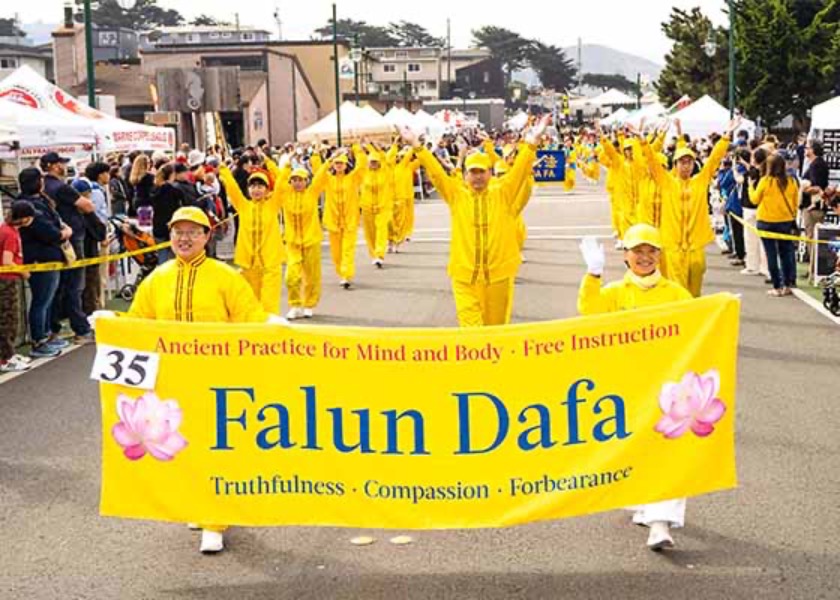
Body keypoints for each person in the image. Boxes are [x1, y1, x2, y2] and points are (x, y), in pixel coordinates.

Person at [90, 206, 284, 554]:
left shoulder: (226, 276)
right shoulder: (158, 278)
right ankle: (198, 504)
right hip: (170, 383)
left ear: (207, 236)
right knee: (182, 448)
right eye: (178, 231)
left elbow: (249, 319)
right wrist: (112, 321)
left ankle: (214, 520)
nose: (184, 237)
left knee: (216, 447)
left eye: (193, 231)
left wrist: (272, 327)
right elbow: (139, 324)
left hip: (217, 380)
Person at [578, 223, 692, 550]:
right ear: (625, 256)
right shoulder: (614, 293)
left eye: (650, 251)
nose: (644, 257)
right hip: (625, 388)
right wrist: (593, 274)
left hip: (667, 389)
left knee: (668, 451)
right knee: (635, 450)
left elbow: (697, 329)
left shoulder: (676, 293)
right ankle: (646, 506)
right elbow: (588, 312)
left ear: (659, 255)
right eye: (637, 251)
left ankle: (660, 523)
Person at [400, 116, 548, 327]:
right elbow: (436, 173)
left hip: (499, 277)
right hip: (464, 277)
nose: (478, 177)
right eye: (473, 172)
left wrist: (532, 142)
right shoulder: (456, 194)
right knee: (472, 332)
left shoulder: (503, 192)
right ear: (466, 174)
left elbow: (519, 171)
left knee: (495, 331)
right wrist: (416, 146)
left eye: (482, 172)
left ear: (490, 173)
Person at [640, 119, 739, 297]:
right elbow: (653, 162)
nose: (686, 166)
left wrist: (726, 136)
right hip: (673, 246)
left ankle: (692, 315)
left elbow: (714, 160)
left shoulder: (700, 181)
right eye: (682, 162)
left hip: (695, 245)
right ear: (675, 165)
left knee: (695, 285)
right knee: (678, 288)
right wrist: (643, 140)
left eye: (689, 162)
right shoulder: (667, 182)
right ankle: (680, 318)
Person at [263, 159, 329, 319]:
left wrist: (330, 161)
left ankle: (309, 304)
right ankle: (295, 304)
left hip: (311, 240)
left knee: (312, 276)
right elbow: (278, 176)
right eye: (294, 180)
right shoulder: (285, 194)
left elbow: (320, 176)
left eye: (301, 180)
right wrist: (270, 160)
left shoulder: (312, 193)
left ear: (306, 181)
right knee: (291, 276)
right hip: (292, 243)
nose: (297, 183)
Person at [41, 152, 95, 345]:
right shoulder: (62, 187)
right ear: (54, 166)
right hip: (70, 240)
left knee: (57, 287)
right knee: (74, 285)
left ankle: (53, 328)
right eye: (61, 163)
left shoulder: (44, 187)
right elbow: (88, 206)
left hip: (52, 241)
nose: (64, 166)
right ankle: (80, 328)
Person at [218, 166, 285, 313]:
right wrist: (224, 170)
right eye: (253, 186)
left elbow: (281, 185)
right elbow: (233, 189)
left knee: (269, 302)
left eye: (260, 186)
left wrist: (284, 167)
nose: (256, 190)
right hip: (248, 263)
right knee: (251, 302)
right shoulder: (243, 206)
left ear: (267, 190)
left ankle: (268, 331)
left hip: (270, 263)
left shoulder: (273, 205)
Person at [17, 168, 66, 359]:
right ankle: (39, 341)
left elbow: (54, 225)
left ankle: (46, 336)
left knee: (47, 300)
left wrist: (61, 230)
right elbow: (49, 232)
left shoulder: (37, 202)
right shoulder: (29, 207)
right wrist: (62, 233)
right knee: (41, 301)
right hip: (41, 257)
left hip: (47, 256)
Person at [311, 146, 368, 289]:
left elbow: (362, 167)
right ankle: (341, 272)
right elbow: (318, 174)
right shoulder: (328, 179)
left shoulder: (353, 178)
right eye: (336, 164)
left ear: (346, 165)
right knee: (336, 252)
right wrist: (324, 159)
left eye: (341, 163)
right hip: (333, 221)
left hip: (350, 220)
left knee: (348, 249)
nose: (339, 166)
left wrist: (358, 149)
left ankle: (346, 274)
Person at [752, 153, 800, 297]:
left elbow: (754, 200)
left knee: (771, 254)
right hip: (785, 222)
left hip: (766, 222)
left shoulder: (765, 181)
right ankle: (788, 284)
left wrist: (749, 187)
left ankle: (776, 286)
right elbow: (795, 203)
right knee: (786, 253)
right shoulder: (791, 182)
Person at [0, 201, 36, 373]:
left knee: (9, 319)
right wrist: (23, 272)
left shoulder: (7, 230)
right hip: (6, 280)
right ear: (24, 218)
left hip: (6, 279)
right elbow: (7, 261)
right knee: (8, 319)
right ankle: (5, 358)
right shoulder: (10, 234)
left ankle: (9, 354)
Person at [360, 147, 394, 268]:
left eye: (375, 161)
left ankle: (379, 254)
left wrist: (372, 145)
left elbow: (386, 158)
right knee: (370, 234)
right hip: (367, 208)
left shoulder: (386, 172)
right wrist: (357, 145)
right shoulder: (363, 173)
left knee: (381, 229)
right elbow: (359, 158)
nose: (373, 164)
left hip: (383, 207)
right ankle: (374, 255)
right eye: (371, 162)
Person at [150, 163, 185, 263]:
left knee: (162, 255)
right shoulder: (175, 190)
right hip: (172, 225)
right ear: (171, 175)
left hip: (158, 225)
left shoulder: (155, 189)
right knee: (176, 256)